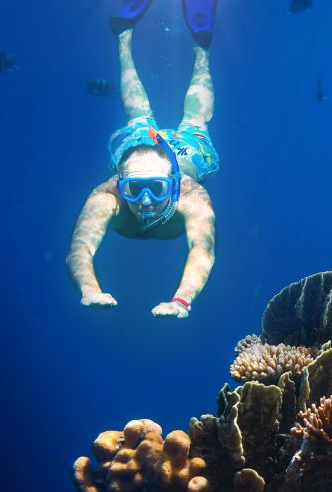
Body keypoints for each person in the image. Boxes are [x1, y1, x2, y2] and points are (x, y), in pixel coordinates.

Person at [66, 0, 219, 319]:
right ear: (120, 184)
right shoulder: (107, 197)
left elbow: (202, 251)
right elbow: (79, 250)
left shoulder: (192, 197)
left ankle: (201, 48)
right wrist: (89, 289)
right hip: (138, 146)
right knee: (140, 117)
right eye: (135, 189)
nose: (146, 200)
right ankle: (123, 35)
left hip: (185, 153)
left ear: (174, 184)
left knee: (194, 121)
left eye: (156, 188)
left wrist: (181, 300)